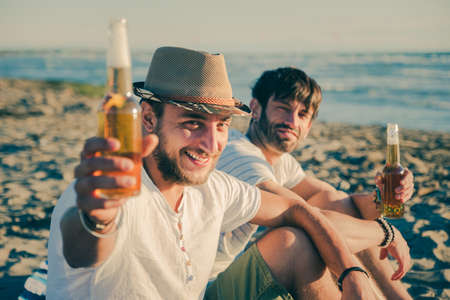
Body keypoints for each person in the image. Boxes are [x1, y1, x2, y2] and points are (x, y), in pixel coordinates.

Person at [46, 46, 403, 300]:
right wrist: (96, 220)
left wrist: (351, 271)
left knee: (294, 241)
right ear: (150, 119)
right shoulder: (114, 191)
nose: (210, 142)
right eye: (192, 122)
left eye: (221, 125)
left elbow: (297, 209)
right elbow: (83, 250)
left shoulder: (214, 188)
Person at [212, 67, 414, 299]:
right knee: (294, 242)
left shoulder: (280, 162)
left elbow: (342, 204)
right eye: (283, 108)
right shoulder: (239, 155)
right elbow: (311, 220)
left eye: (302, 114)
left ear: (308, 127)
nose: (291, 121)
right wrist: (386, 232)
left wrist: (382, 197)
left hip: (233, 275)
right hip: (209, 288)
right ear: (255, 109)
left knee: (332, 200)